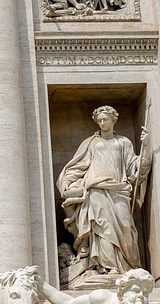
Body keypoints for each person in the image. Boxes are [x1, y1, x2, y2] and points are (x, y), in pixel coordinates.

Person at [57, 106, 148, 278]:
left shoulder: (123, 142)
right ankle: (107, 268)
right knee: (102, 228)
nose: (102, 122)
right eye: (99, 120)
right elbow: (78, 166)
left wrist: (146, 146)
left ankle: (125, 267)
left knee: (125, 227)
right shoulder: (91, 143)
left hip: (119, 190)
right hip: (96, 190)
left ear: (114, 119)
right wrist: (67, 182)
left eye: (105, 119)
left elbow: (134, 169)